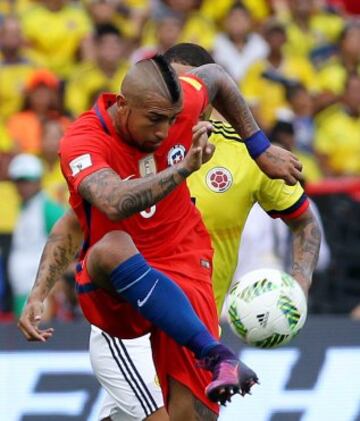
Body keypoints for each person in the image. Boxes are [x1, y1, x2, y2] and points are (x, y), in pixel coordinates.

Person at [18, 53, 304, 419]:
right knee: (113, 245)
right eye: (155, 120)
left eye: (172, 120)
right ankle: (215, 352)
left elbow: (216, 76)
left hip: (184, 269)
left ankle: (211, 353)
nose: (164, 133)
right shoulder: (84, 141)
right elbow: (109, 204)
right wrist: (39, 294)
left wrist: (260, 149)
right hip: (119, 300)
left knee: (193, 415)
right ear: (124, 105)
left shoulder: (175, 107)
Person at [7, 153, 65, 317]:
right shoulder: (22, 208)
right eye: (19, 181)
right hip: (21, 288)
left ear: (38, 180)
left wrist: (57, 279)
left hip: (39, 292)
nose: (23, 186)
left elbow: (72, 240)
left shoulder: (48, 208)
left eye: (27, 181)